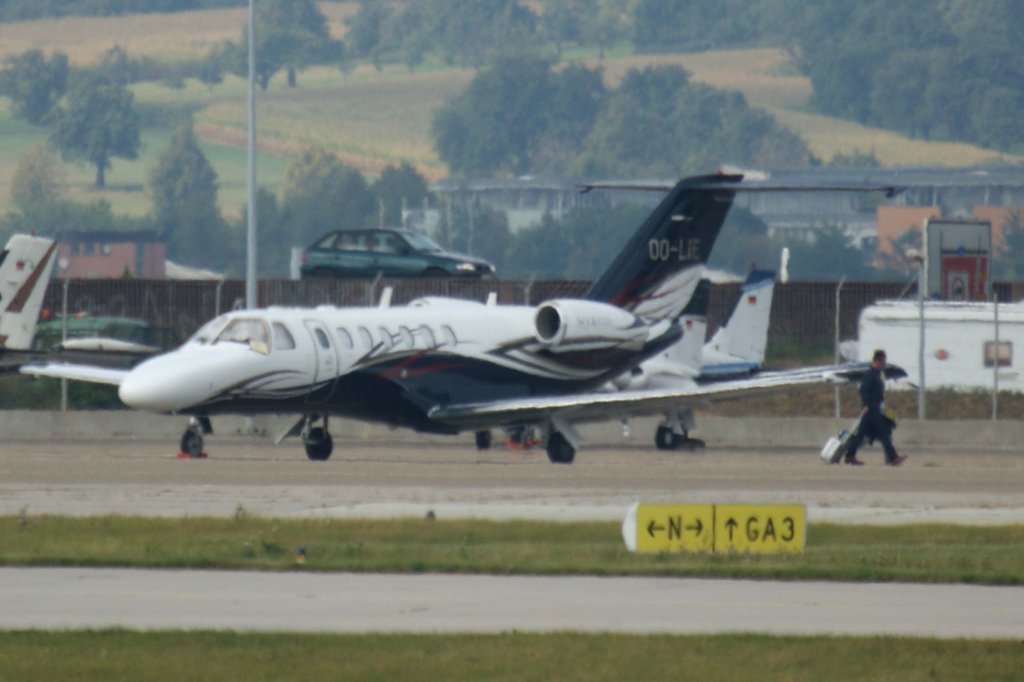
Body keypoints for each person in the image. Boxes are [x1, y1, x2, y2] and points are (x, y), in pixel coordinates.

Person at [845, 349, 907, 467]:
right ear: (877, 361)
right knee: (883, 432)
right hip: (871, 408)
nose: (884, 365)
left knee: (861, 434)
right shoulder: (870, 375)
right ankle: (893, 457)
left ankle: (850, 456)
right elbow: (863, 390)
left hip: (875, 407)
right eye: (883, 362)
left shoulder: (876, 375)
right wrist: (865, 405)